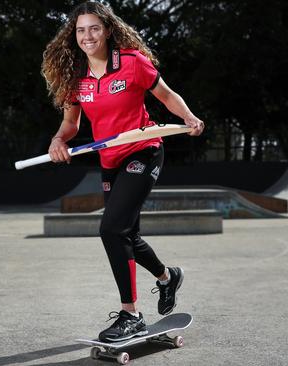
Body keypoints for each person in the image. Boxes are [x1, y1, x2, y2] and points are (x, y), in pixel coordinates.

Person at [41, 1, 204, 342]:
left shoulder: (131, 62)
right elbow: (71, 124)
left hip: (144, 151)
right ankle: (167, 277)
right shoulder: (76, 77)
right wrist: (58, 139)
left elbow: (167, 95)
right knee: (126, 235)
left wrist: (187, 117)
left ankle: (131, 314)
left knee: (111, 229)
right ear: (75, 36)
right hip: (110, 160)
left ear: (107, 30)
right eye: (81, 30)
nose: (87, 36)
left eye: (94, 28)